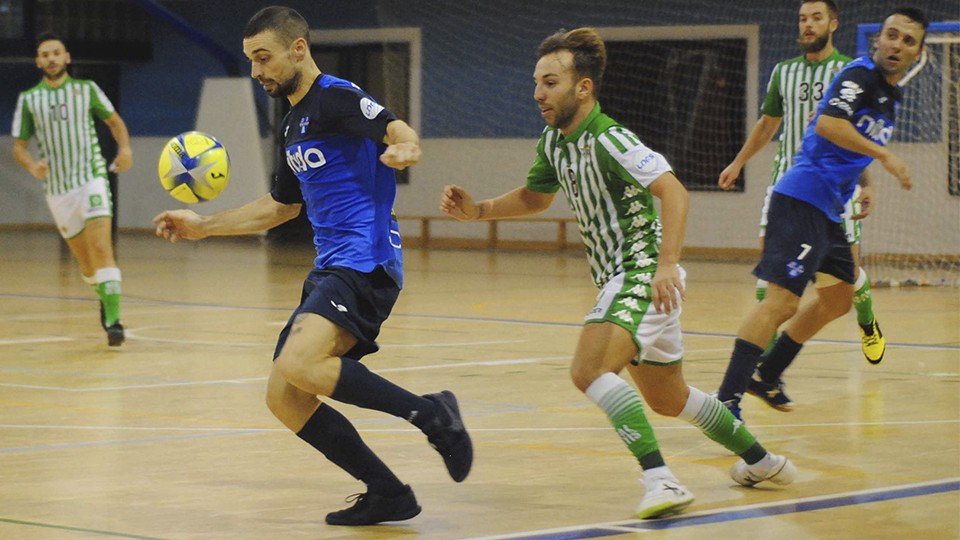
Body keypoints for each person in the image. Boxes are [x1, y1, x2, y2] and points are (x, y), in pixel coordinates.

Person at [440, 27, 795, 520]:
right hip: (626, 278)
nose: (538, 93)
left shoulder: (610, 138)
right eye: (537, 83)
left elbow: (674, 192)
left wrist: (666, 263)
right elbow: (535, 197)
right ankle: (764, 463)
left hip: (641, 273)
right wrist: (477, 211)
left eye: (550, 83)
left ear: (582, 87)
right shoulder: (554, 142)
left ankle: (661, 480)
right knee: (669, 399)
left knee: (588, 370)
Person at [153, 6, 472, 527]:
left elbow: (396, 129)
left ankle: (432, 414)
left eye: (264, 58)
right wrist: (203, 226)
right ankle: (387, 491)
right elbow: (281, 207)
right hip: (332, 267)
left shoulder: (337, 97)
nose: (258, 71)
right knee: (284, 395)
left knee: (301, 365)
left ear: (297, 49)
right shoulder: (291, 123)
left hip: (366, 262)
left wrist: (407, 148)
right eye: (252, 60)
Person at [715, 8, 928, 420]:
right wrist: (885, 156)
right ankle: (727, 400)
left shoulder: (889, 93)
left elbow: (844, 135)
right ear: (878, 39)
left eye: (908, 40)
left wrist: (864, 182)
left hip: (829, 207)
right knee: (780, 303)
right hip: (801, 198)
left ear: (917, 52)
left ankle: (767, 374)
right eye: (892, 35)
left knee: (838, 299)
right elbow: (829, 125)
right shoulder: (859, 75)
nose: (897, 44)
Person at [12, 31, 133, 346]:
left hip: (91, 177)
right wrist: (30, 164)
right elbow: (19, 147)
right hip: (58, 189)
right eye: (45, 54)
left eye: (56, 52)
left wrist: (125, 149)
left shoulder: (86, 90)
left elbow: (115, 122)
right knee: (87, 265)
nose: (51, 58)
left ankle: (113, 321)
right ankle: (104, 298)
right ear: (39, 62)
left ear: (67, 57)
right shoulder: (29, 100)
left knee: (102, 249)